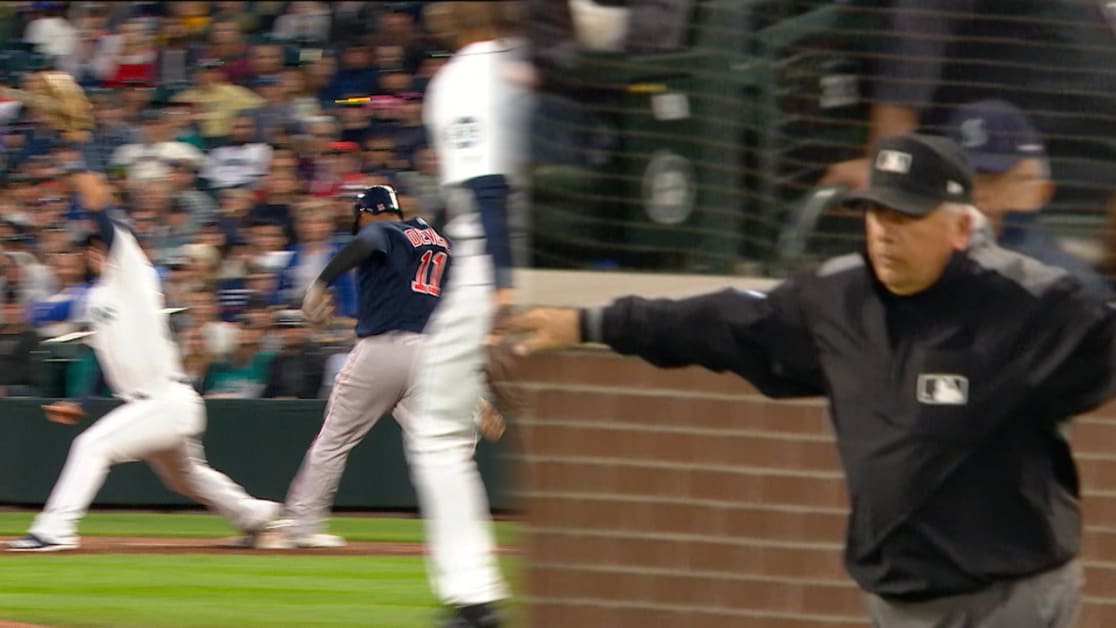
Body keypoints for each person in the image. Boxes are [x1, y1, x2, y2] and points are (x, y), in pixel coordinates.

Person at [508, 133, 1113, 627]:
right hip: (898, 600)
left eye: (905, 214)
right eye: (875, 211)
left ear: (960, 226)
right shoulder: (835, 299)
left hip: (1011, 598)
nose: (884, 230)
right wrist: (589, 322)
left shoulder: (1030, 304)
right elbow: (719, 321)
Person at [6, 161, 281, 552]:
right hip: (154, 405)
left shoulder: (133, 271)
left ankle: (54, 530)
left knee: (92, 446)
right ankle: (257, 516)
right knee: (186, 478)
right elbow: (97, 359)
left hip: (164, 398)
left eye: (97, 245)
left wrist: (83, 173)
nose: (93, 251)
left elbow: (104, 216)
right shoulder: (100, 297)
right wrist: (79, 402)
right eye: (88, 248)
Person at [398, 2, 528, 625]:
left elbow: (487, 187)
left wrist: (502, 294)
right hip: (571, 261)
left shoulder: (463, 77)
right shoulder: (539, 67)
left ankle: (473, 598)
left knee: (437, 431)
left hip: (497, 263)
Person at [271, 184, 450, 549]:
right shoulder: (436, 240)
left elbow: (365, 242)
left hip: (383, 349)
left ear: (368, 213)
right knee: (437, 446)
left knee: (334, 440)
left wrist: (319, 284)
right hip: (429, 353)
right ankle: (457, 524)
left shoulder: (381, 228)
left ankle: (301, 526)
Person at [943, 99, 1110, 292]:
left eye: (994, 179)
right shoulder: (922, 266)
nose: (977, 194)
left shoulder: (1064, 286)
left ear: (1041, 192)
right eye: (961, 178)